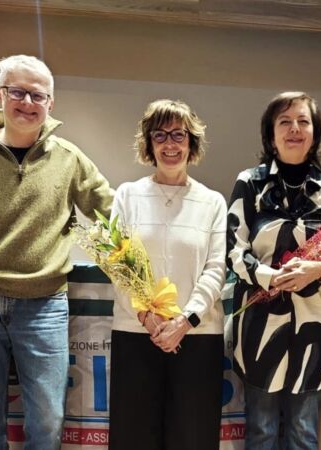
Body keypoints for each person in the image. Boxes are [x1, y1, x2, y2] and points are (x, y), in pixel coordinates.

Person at [0, 54, 114, 448]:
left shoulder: (68, 158)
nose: (27, 102)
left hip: (44, 304)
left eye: (37, 95)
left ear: (50, 103)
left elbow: (113, 212)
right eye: (17, 92)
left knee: (48, 419)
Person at [227, 91, 321, 450]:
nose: (294, 128)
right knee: (262, 430)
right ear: (271, 135)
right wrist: (270, 277)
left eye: (303, 121)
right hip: (260, 327)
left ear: (315, 134)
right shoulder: (250, 184)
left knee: (303, 432)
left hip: (314, 328)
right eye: (285, 121)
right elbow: (232, 250)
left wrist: (320, 269)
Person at [108, 99, 227, 450]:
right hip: (136, 333)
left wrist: (184, 321)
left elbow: (216, 268)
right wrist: (147, 316)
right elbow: (118, 264)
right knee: (133, 438)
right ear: (148, 143)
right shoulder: (127, 195)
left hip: (197, 335)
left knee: (193, 438)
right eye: (159, 135)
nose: (169, 144)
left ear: (192, 142)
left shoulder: (212, 202)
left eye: (179, 134)